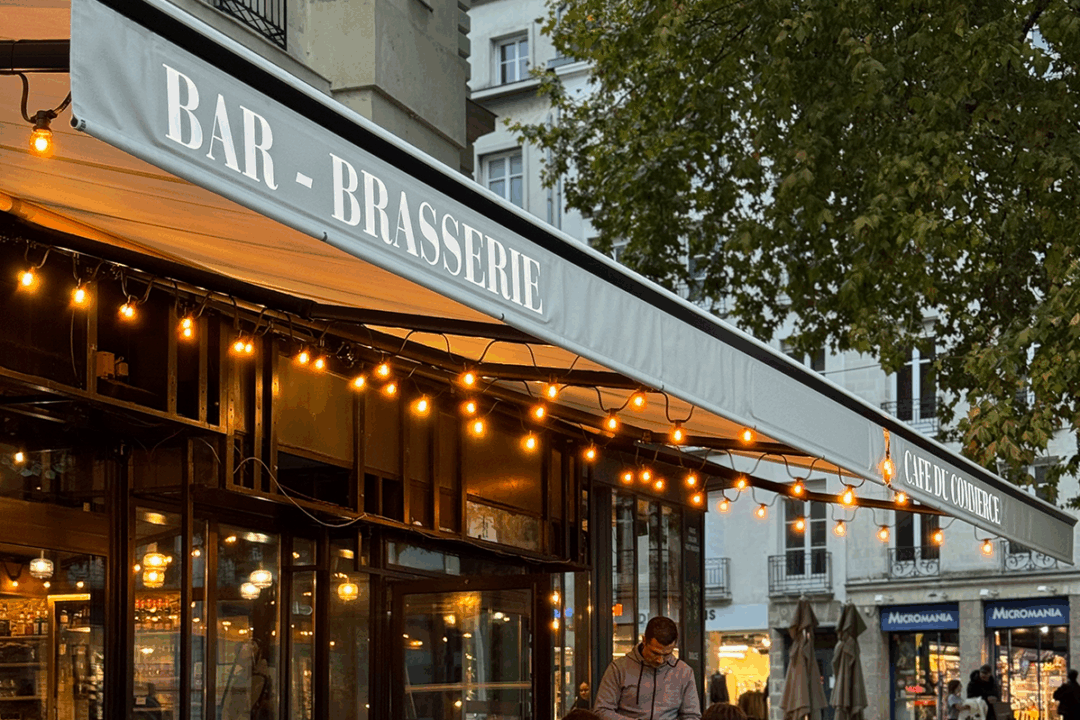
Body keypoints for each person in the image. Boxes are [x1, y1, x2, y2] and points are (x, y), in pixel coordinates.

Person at [594, 616, 701, 720]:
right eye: (655, 653)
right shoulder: (618, 669)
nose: (660, 660)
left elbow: (692, 715)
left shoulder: (684, 672)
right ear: (644, 640)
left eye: (667, 654)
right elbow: (602, 710)